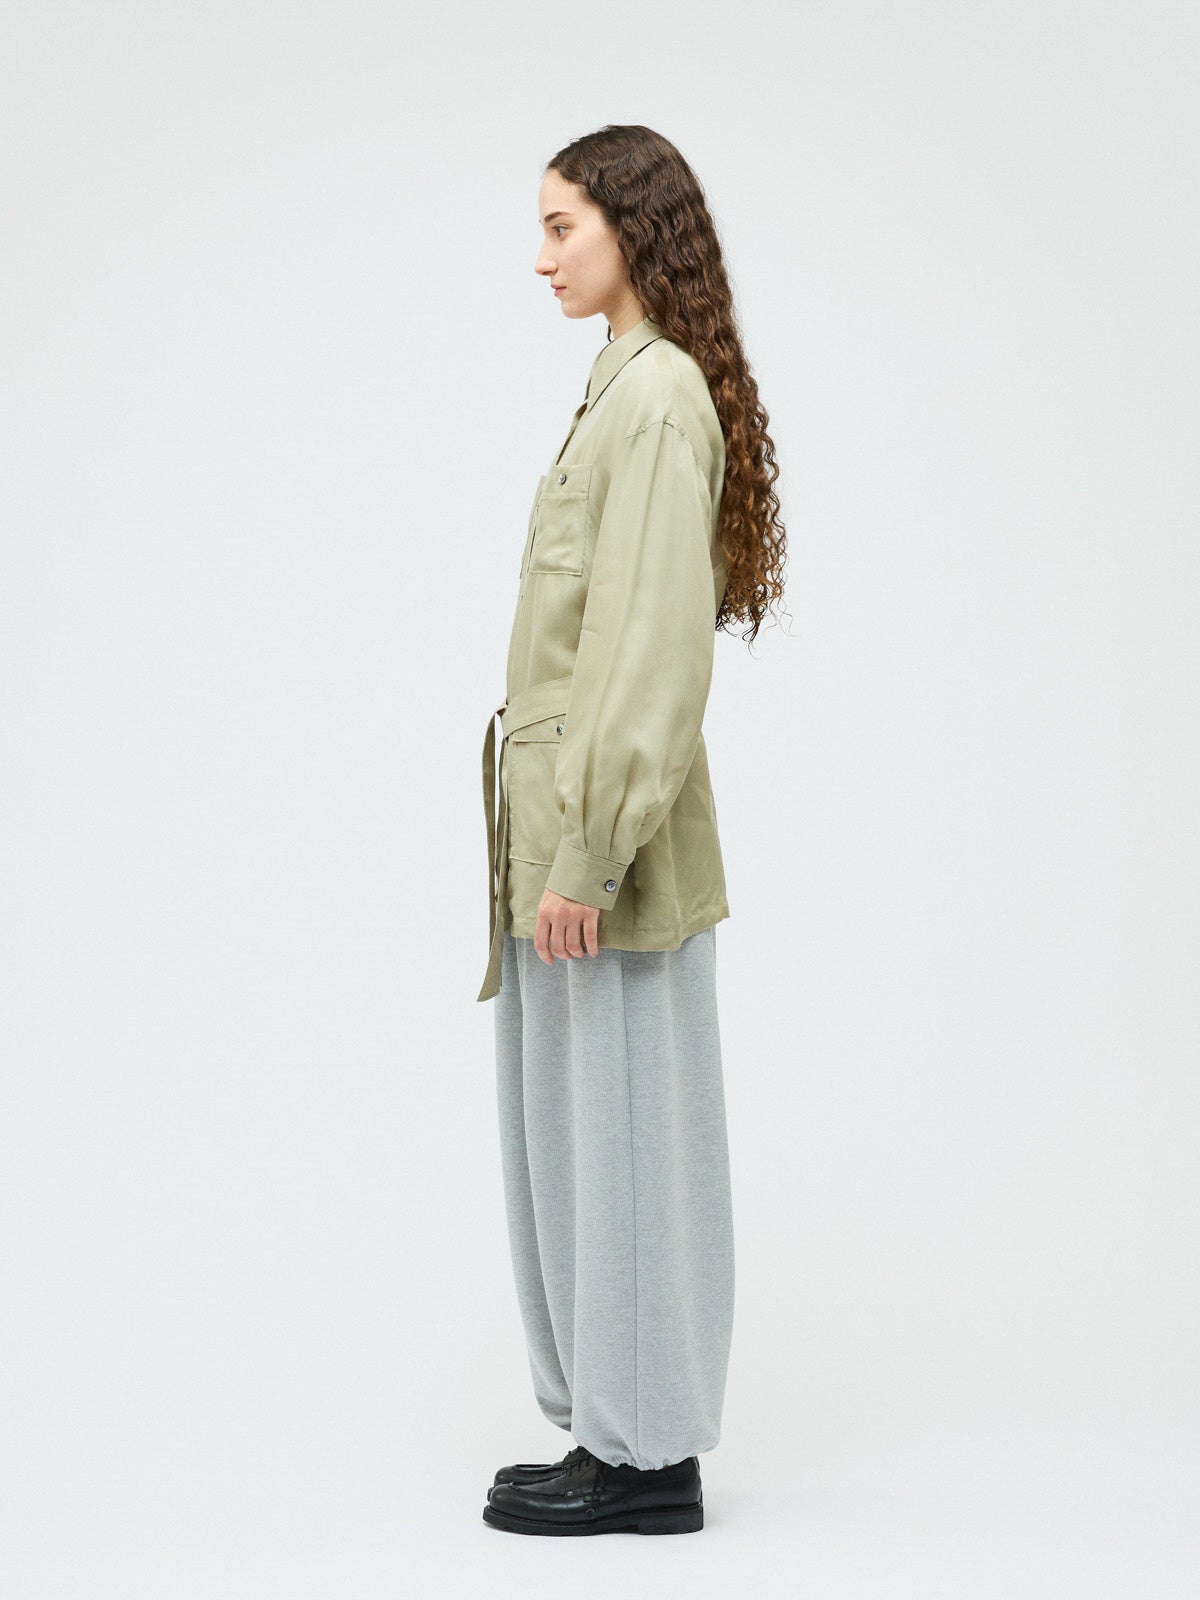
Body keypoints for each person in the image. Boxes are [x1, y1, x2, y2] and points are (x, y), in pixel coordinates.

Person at [477, 124, 788, 1537]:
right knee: (580, 1137)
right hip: (561, 837)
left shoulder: (657, 398)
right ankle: (613, 1430)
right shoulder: (620, 388)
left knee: (629, 1141)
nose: (541, 258)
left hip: (601, 853)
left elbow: (650, 653)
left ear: (631, 226)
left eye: (562, 227)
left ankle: (649, 1456)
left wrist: (588, 854)